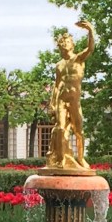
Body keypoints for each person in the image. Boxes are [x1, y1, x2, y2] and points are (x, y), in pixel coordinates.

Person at [47, 21, 95, 170]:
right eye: (62, 42)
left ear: (72, 45)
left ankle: (80, 158)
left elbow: (90, 48)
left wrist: (90, 30)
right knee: (60, 128)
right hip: (62, 98)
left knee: (78, 132)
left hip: (74, 100)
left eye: (67, 41)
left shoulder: (78, 59)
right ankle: (61, 159)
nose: (65, 44)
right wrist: (52, 104)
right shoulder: (59, 65)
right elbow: (57, 85)